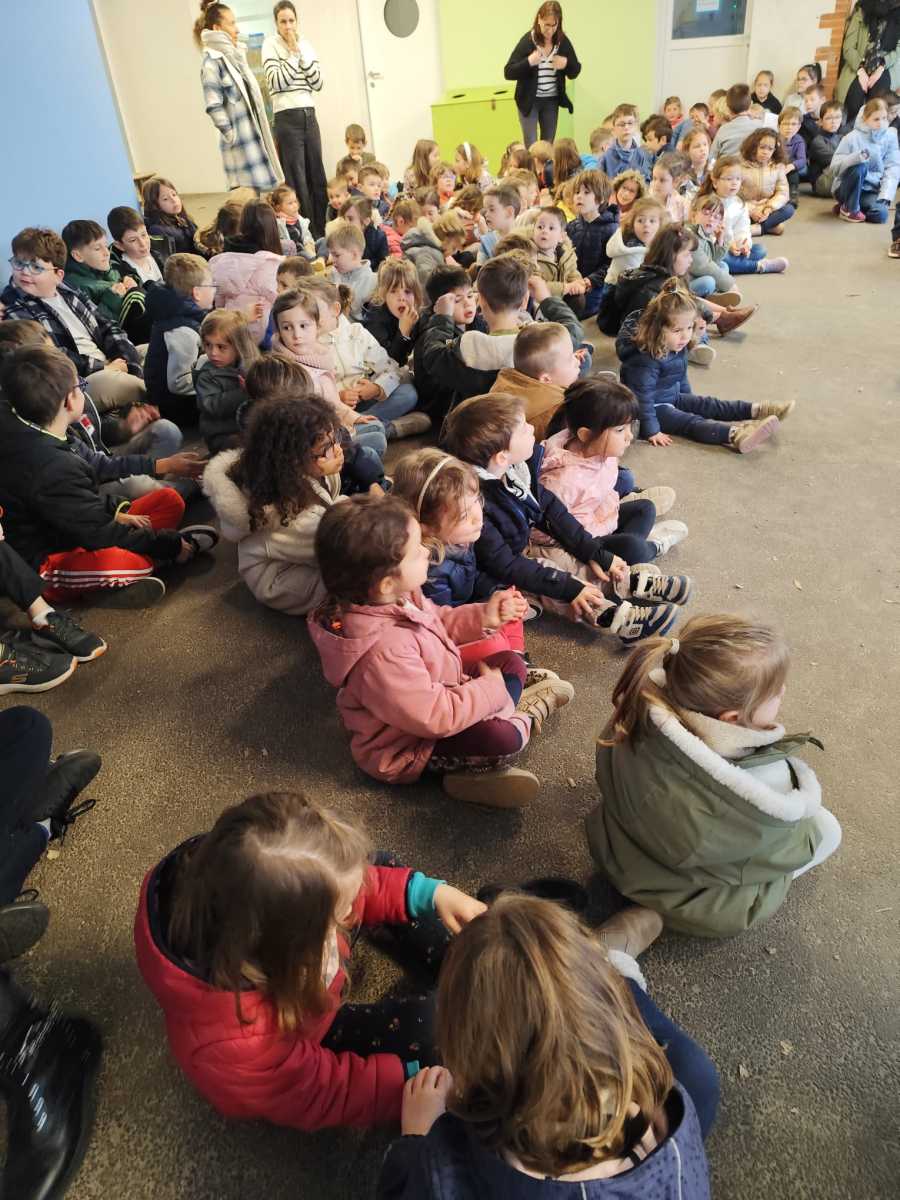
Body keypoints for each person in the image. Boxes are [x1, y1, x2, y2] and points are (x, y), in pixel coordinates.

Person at [135, 790, 487, 1128]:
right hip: (305, 1033)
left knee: (374, 868)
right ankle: (469, 983)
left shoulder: (246, 886)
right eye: (339, 913)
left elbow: (344, 885)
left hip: (300, 967)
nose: (351, 911)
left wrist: (430, 894)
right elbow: (323, 1092)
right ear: (289, 950)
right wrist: (409, 1084)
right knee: (435, 1030)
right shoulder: (237, 1046)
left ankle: (470, 962)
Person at [376, 894, 717, 1197]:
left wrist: (418, 1138)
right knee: (700, 1079)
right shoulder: (673, 1111)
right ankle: (615, 964)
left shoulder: (440, 1177)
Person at [587, 615, 843, 937]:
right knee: (827, 829)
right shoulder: (764, 785)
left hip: (613, 847)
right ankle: (658, 914)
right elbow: (785, 849)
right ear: (732, 718)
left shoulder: (640, 706)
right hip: (693, 899)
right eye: (776, 693)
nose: (783, 691)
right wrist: (805, 834)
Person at [309, 494, 561, 807]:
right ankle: (520, 719)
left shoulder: (399, 596)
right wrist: (488, 691)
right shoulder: (383, 653)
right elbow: (436, 716)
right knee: (501, 738)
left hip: (443, 689)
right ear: (386, 583)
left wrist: (484, 617)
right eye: (416, 550)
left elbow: (437, 621)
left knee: (511, 662)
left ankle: (501, 714)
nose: (427, 551)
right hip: (408, 747)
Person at [442, 393, 688, 643]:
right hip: (494, 577)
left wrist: (596, 554)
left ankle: (631, 583)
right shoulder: (474, 503)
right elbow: (505, 564)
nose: (532, 428)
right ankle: (619, 620)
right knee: (557, 575)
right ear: (501, 457)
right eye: (524, 428)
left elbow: (552, 510)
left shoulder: (516, 469)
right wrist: (571, 588)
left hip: (519, 547)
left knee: (570, 560)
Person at [0, 346, 218, 608]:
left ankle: (140, 567)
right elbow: (97, 531)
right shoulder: (50, 465)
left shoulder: (50, 428)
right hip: (49, 560)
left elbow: (87, 487)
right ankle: (156, 560)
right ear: (69, 401)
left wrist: (119, 508)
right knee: (120, 563)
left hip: (77, 528)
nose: (83, 390)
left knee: (169, 500)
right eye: (80, 386)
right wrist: (169, 544)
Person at [202, 394, 351, 614]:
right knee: (359, 582)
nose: (337, 449)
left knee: (351, 514)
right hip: (281, 581)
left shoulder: (278, 475)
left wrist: (326, 471)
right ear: (295, 460)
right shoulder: (283, 515)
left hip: (301, 547)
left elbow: (327, 502)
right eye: (326, 447)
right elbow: (334, 549)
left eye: (334, 439)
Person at [616, 285, 790, 453]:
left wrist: (690, 400)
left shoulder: (676, 346)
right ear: (656, 329)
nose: (685, 335)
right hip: (651, 409)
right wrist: (651, 430)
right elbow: (642, 398)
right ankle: (736, 435)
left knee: (708, 404)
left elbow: (680, 376)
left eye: (689, 328)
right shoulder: (644, 360)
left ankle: (756, 410)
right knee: (690, 422)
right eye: (677, 330)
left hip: (671, 396)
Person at [535, 377, 688, 567]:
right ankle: (651, 548)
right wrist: (597, 545)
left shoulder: (599, 449)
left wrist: (608, 514)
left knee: (645, 508)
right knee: (632, 547)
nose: (629, 436)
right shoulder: (562, 481)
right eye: (620, 430)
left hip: (598, 518)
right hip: (578, 542)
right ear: (585, 434)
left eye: (630, 426)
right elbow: (548, 532)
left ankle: (625, 559)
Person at [1, 226, 146, 413]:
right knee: (120, 383)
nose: (24, 272)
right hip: (76, 382)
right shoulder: (12, 306)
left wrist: (125, 360)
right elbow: (52, 356)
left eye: (36, 267)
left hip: (109, 362)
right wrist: (105, 368)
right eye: (19, 263)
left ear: (58, 275)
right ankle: (159, 402)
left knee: (152, 349)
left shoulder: (68, 290)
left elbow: (107, 325)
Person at [418, 256, 581, 409]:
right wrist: (547, 299)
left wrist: (442, 317)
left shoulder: (469, 345)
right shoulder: (541, 344)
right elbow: (573, 330)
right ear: (525, 300)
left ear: (481, 300)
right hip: (527, 419)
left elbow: (433, 356)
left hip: (480, 422)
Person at [270, 284, 387, 460]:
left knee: (376, 427)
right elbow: (303, 427)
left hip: (333, 427)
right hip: (312, 444)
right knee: (374, 446)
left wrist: (353, 418)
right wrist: (339, 438)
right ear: (278, 330)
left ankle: (365, 445)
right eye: (287, 328)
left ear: (317, 326)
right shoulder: (285, 370)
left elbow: (332, 403)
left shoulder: (319, 355)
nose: (296, 335)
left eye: (303, 326)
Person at [309, 274, 425, 441]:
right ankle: (386, 429)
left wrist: (377, 388)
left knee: (408, 393)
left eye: (314, 311)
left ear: (334, 309)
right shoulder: (306, 342)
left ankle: (356, 429)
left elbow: (389, 367)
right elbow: (311, 392)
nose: (308, 318)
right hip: (334, 407)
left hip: (364, 401)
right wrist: (338, 396)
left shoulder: (356, 332)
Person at [194, 1, 281, 191]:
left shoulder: (235, 57)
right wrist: (232, 136)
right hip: (240, 147)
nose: (237, 29)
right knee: (246, 200)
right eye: (232, 23)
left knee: (262, 197)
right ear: (217, 29)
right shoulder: (211, 63)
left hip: (253, 141)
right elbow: (213, 105)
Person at [262, 0, 327, 237]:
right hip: (286, 116)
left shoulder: (306, 45)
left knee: (317, 174)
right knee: (297, 178)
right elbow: (277, 82)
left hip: (309, 114)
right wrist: (291, 54)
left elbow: (317, 82)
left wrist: (300, 54)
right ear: (276, 24)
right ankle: (306, 232)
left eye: (291, 20)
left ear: (297, 21)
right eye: (283, 21)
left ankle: (323, 228)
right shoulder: (270, 45)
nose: (288, 26)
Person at [144, 253, 216, 426]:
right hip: (177, 408)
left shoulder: (177, 313)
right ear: (197, 293)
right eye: (211, 285)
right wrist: (213, 383)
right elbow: (179, 383)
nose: (214, 289)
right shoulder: (183, 330)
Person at [62, 219, 151, 346]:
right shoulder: (75, 286)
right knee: (135, 296)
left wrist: (130, 280)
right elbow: (95, 328)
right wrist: (112, 299)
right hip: (117, 339)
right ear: (78, 256)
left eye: (105, 245)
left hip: (134, 326)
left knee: (150, 285)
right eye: (98, 248)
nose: (106, 253)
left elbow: (125, 277)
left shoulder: (103, 268)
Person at [504, 2, 582, 145]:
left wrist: (565, 63)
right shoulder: (528, 41)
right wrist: (529, 61)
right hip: (529, 101)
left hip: (551, 100)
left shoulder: (562, 41)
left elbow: (575, 70)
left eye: (554, 25)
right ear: (539, 19)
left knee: (547, 145)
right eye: (547, 25)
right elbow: (508, 72)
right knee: (532, 145)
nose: (550, 30)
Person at [489, 321, 581, 442]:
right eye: (570, 359)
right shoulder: (558, 411)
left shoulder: (504, 382)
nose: (577, 360)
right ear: (546, 379)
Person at [697, 156, 789, 275]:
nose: (734, 183)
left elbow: (743, 229)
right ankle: (759, 266)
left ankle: (737, 264)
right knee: (722, 259)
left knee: (760, 250)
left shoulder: (739, 203)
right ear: (715, 182)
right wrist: (728, 246)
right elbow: (705, 235)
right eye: (729, 179)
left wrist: (744, 244)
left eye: (738, 179)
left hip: (733, 247)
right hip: (712, 249)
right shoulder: (707, 203)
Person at [209, 199, 283, 341]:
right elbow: (280, 298)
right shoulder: (270, 262)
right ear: (272, 227)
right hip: (261, 333)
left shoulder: (223, 259)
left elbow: (218, 300)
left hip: (229, 328)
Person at [192, 310, 259, 452]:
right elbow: (210, 405)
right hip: (221, 433)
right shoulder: (207, 375)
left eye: (221, 347)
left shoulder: (251, 366)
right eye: (208, 345)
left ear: (239, 346)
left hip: (248, 427)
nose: (213, 353)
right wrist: (244, 393)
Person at [830, 96, 900, 222]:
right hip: (846, 187)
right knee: (860, 166)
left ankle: (849, 207)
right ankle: (850, 207)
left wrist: (885, 196)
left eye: (884, 118)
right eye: (876, 119)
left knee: (881, 214)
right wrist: (855, 158)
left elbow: (893, 168)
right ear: (865, 119)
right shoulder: (851, 137)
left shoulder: (890, 137)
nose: (881, 123)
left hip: (870, 189)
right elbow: (834, 168)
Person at [565, 169, 618, 316]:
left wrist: (590, 281)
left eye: (586, 192)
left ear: (601, 198)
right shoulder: (572, 226)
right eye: (577, 192)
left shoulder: (611, 229)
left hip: (594, 292)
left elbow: (611, 265)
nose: (579, 196)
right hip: (571, 285)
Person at [836, 1, 900, 117]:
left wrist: (881, 67)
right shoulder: (863, 9)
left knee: (879, 103)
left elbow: (898, 50)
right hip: (858, 62)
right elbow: (848, 47)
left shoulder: (898, 12)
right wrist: (861, 70)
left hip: (887, 64)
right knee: (854, 101)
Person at [362, 257, 422, 366]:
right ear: (383, 295)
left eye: (407, 292)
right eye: (393, 291)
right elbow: (389, 363)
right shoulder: (374, 320)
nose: (402, 298)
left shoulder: (418, 314)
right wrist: (403, 333)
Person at [740, 127, 796, 236]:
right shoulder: (740, 165)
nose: (765, 152)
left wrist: (768, 208)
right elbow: (732, 196)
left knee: (789, 209)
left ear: (775, 150)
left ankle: (756, 228)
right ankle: (764, 227)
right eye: (762, 147)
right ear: (753, 146)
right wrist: (751, 210)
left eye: (770, 149)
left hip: (766, 209)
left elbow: (783, 193)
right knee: (779, 228)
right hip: (745, 209)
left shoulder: (777, 167)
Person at [531, 206, 586, 311]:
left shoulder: (566, 254)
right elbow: (535, 285)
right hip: (536, 304)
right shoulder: (529, 254)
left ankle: (565, 320)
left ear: (561, 236)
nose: (544, 231)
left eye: (551, 228)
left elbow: (573, 273)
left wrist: (578, 284)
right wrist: (566, 287)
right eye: (540, 227)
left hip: (557, 300)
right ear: (533, 230)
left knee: (578, 299)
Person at [605, 197, 667, 286]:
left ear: (660, 224)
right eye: (640, 220)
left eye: (652, 221)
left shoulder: (658, 244)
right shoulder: (628, 248)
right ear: (632, 224)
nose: (646, 224)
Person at [326, 220, 376, 319]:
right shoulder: (333, 275)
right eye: (331, 255)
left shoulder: (373, 282)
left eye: (337, 255)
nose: (332, 260)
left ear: (354, 255)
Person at [141, 178, 200, 257]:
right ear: (154, 205)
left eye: (174, 194)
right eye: (165, 199)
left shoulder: (182, 218)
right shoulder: (157, 230)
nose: (173, 200)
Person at [107, 206, 168, 282]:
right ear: (119, 245)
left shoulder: (160, 254)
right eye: (133, 240)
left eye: (144, 235)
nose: (143, 243)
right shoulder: (121, 274)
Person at [709, 83, 763, 159]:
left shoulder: (723, 130)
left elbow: (711, 158)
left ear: (728, 108)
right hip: (750, 165)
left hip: (726, 165)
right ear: (750, 104)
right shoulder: (761, 126)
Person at [601, 104, 653, 181]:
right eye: (621, 124)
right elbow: (599, 184)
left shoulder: (642, 155)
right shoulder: (606, 157)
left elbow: (647, 181)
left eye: (630, 123)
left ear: (636, 126)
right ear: (614, 129)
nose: (626, 127)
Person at [808, 101, 849, 195]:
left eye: (837, 117)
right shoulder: (818, 141)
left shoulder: (842, 138)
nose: (833, 121)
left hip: (838, 176)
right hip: (822, 182)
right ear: (820, 122)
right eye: (829, 118)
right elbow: (836, 161)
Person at [476, 183, 522, 263]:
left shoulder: (525, 241)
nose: (486, 214)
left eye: (492, 209)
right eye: (486, 210)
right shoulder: (486, 242)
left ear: (509, 212)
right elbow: (480, 269)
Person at [268, 183, 316, 256]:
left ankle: (319, 258)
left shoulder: (300, 219)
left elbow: (307, 236)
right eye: (290, 203)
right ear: (278, 207)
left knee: (323, 241)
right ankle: (319, 258)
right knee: (305, 254)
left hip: (306, 249)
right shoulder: (278, 224)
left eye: (295, 201)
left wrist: (308, 244)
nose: (295, 205)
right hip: (295, 255)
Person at [648, 152, 691, 223]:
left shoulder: (683, 206)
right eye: (654, 178)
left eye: (662, 180)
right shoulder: (647, 198)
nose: (656, 184)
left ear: (675, 181)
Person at [777, 107, 807, 203]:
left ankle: (793, 192)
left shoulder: (799, 140)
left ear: (799, 127)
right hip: (776, 166)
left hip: (790, 167)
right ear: (779, 125)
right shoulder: (774, 139)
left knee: (794, 170)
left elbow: (802, 159)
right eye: (786, 124)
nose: (789, 127)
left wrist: (791, 166)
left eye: (793, 124)